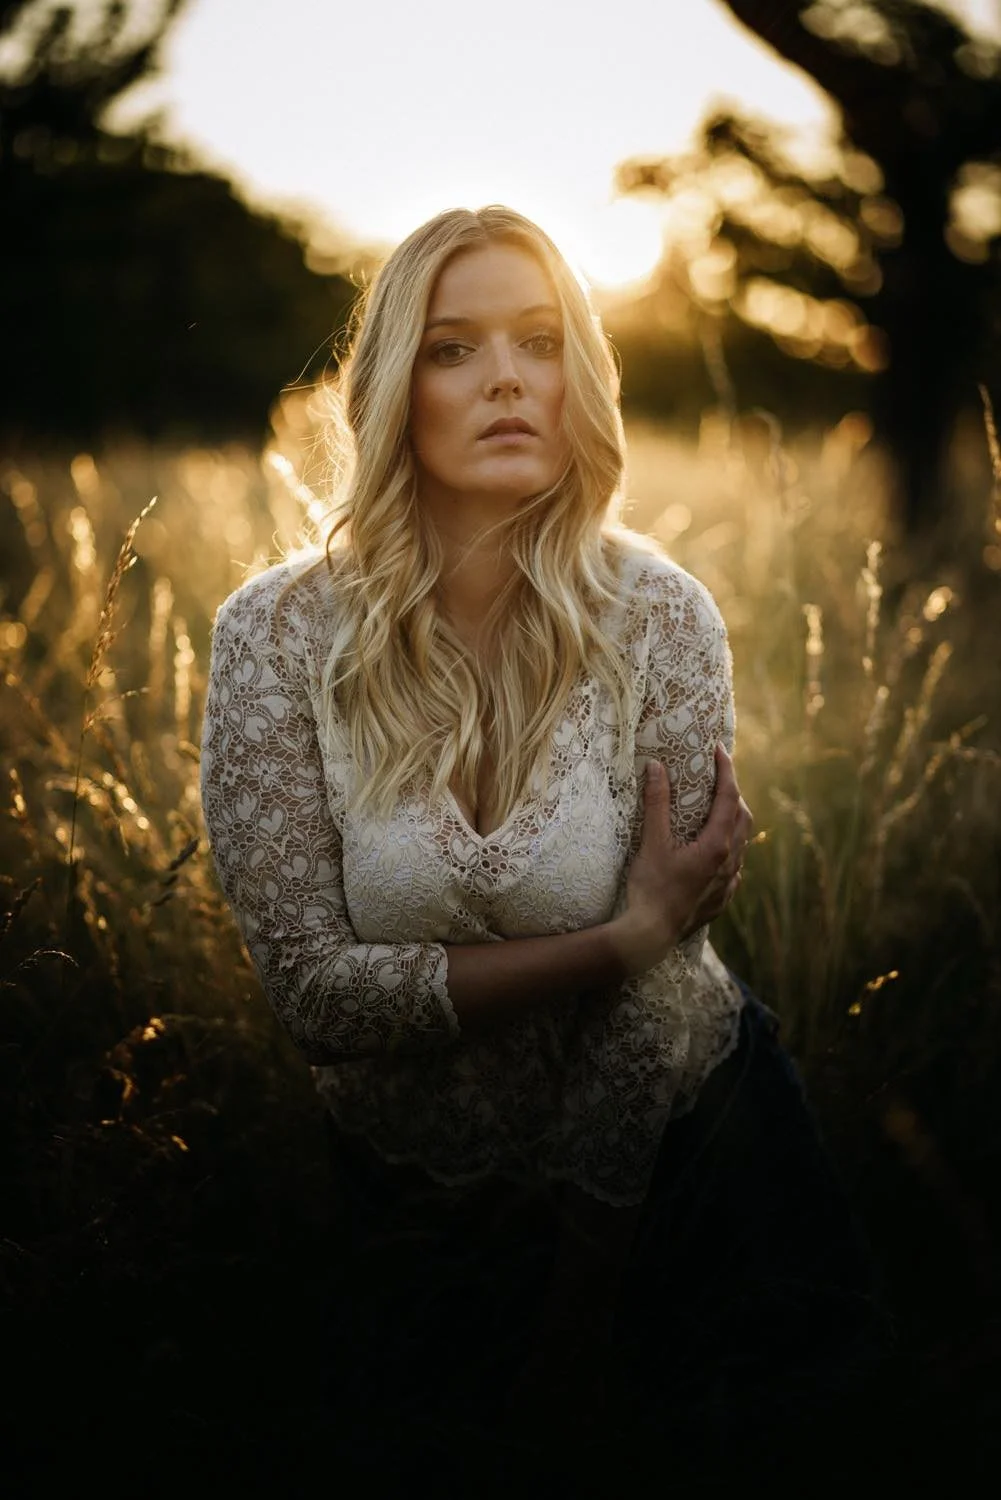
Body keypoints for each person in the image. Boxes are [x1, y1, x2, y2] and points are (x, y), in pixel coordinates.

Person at [199, 205, 890, 1479]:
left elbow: (655, 1002)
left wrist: (577, 1317)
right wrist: (619, 935)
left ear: (583, 374)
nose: (508, 377)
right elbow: (313, 998)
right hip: (411, 1184)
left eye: (540, 341)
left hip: (694, 1156)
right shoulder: (275, 637)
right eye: (456, 349)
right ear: (392, 385)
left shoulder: (660, 618)